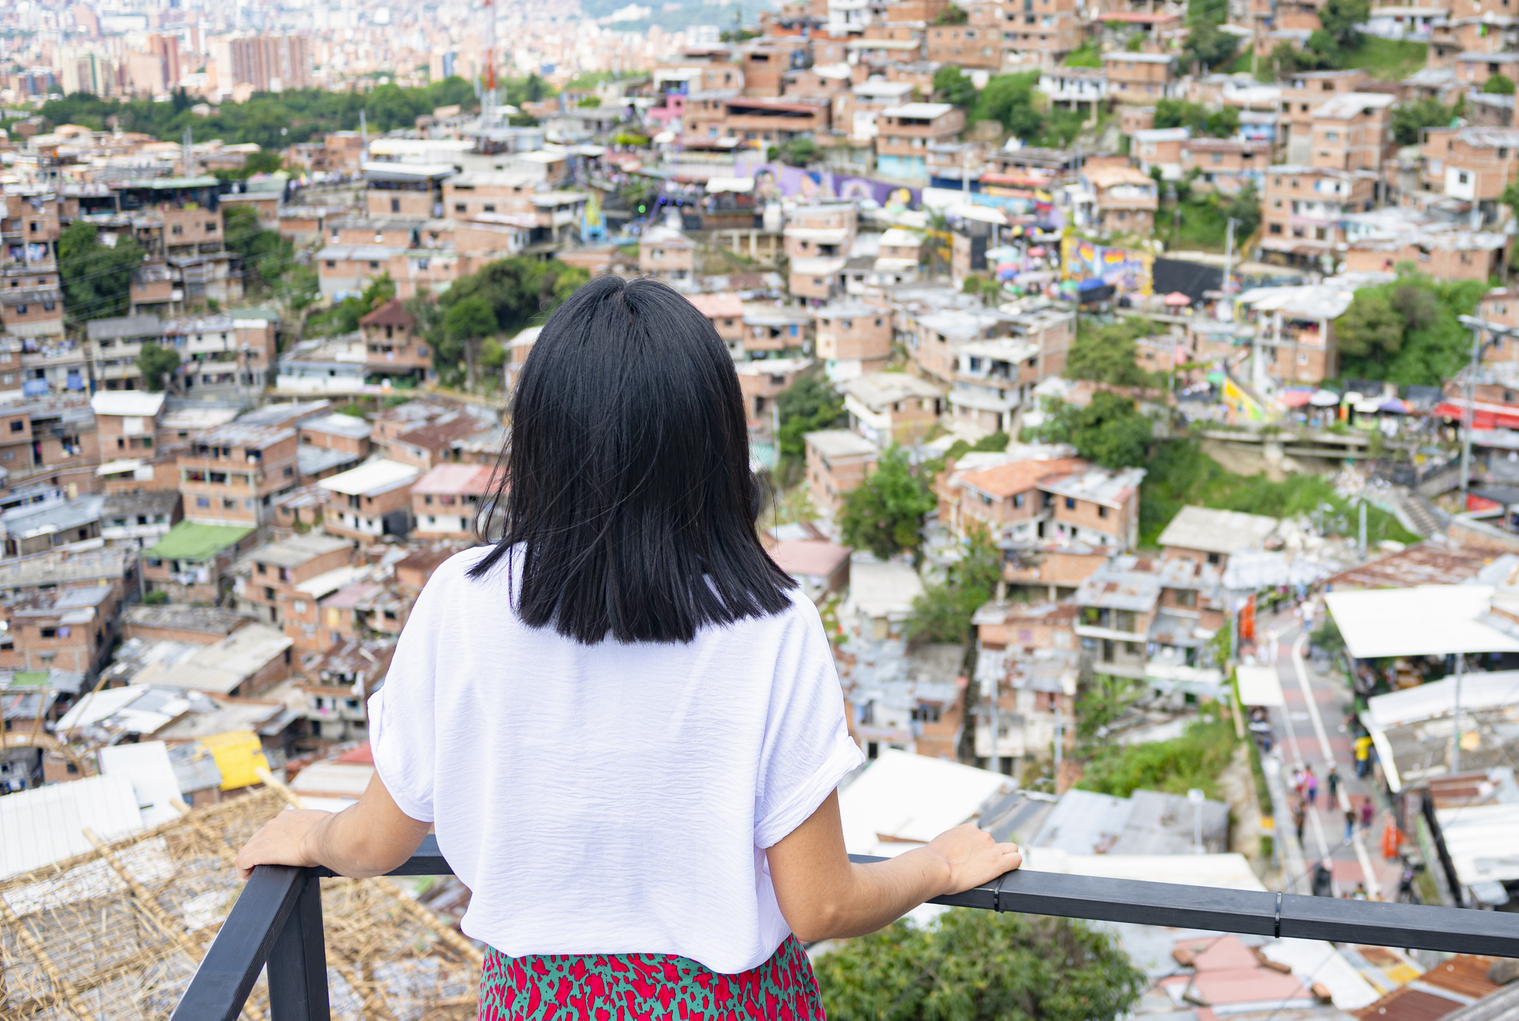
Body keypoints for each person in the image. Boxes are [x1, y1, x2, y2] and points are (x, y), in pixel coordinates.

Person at [232, 278, 1021, 1018]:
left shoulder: (459, 603)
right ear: (715, 444)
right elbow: (821, 904)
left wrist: (309, 834)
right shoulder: (775, 623)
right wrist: (939, 866)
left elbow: (376, 842)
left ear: (539, 441)